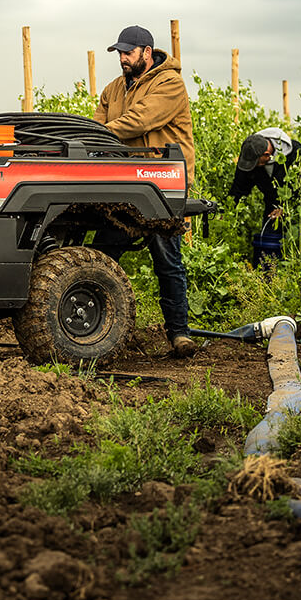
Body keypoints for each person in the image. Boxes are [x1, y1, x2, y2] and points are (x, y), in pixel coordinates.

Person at [90, 25, 196, 357]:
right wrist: (90, 137)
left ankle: (179, 334)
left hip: (162, 182)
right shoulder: (112, 90)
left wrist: (100, 134)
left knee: (167, 258)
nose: (122, 58)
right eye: (119, 53)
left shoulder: (170, 83)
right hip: (125, 184)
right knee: (103, 253)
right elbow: (97, 124)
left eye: (128, 52)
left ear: (146, 53)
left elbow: (139, 121)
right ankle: (94, 326)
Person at [230, 128, 301, 267]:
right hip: (271, 210)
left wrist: (286, 208)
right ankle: (268, 279)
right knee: (268, 250)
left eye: (256, 163)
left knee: (293, 248)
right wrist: (228, 210)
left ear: (267, 154)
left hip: (297, 211)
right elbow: (239, 186)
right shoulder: (250, 151)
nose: (253, 166)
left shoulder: (295, 154)